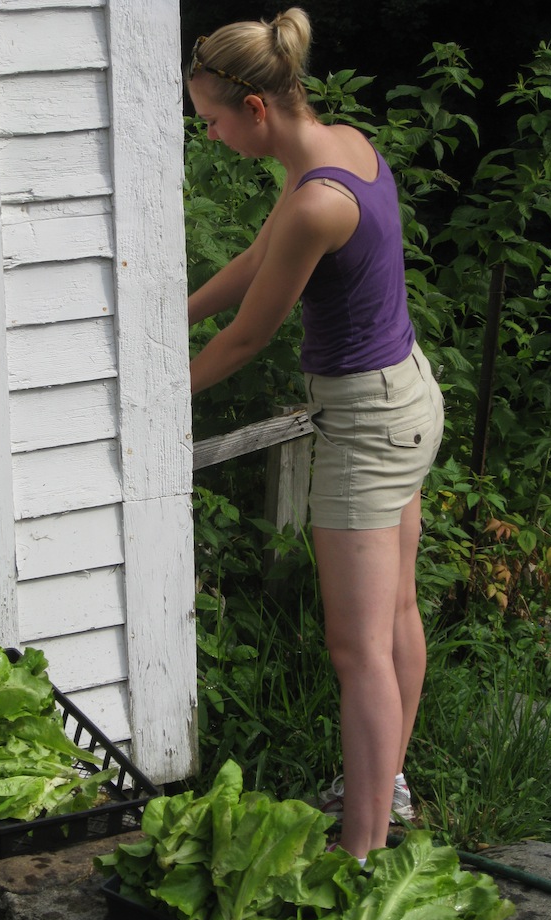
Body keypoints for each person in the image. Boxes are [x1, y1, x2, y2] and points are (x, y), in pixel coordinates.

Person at [185, 7, 444, 865]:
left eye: (214, 120)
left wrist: (155, 393)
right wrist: (174, 313)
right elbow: (256, 260)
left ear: (255, 110)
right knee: (396, 613)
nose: (213, 135)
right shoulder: (342, 146)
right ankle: (387, 789)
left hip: (368, 426)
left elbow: (251, 335)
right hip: (407, 398)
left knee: (355, 645)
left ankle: (361, 854)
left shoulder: (316, 204)